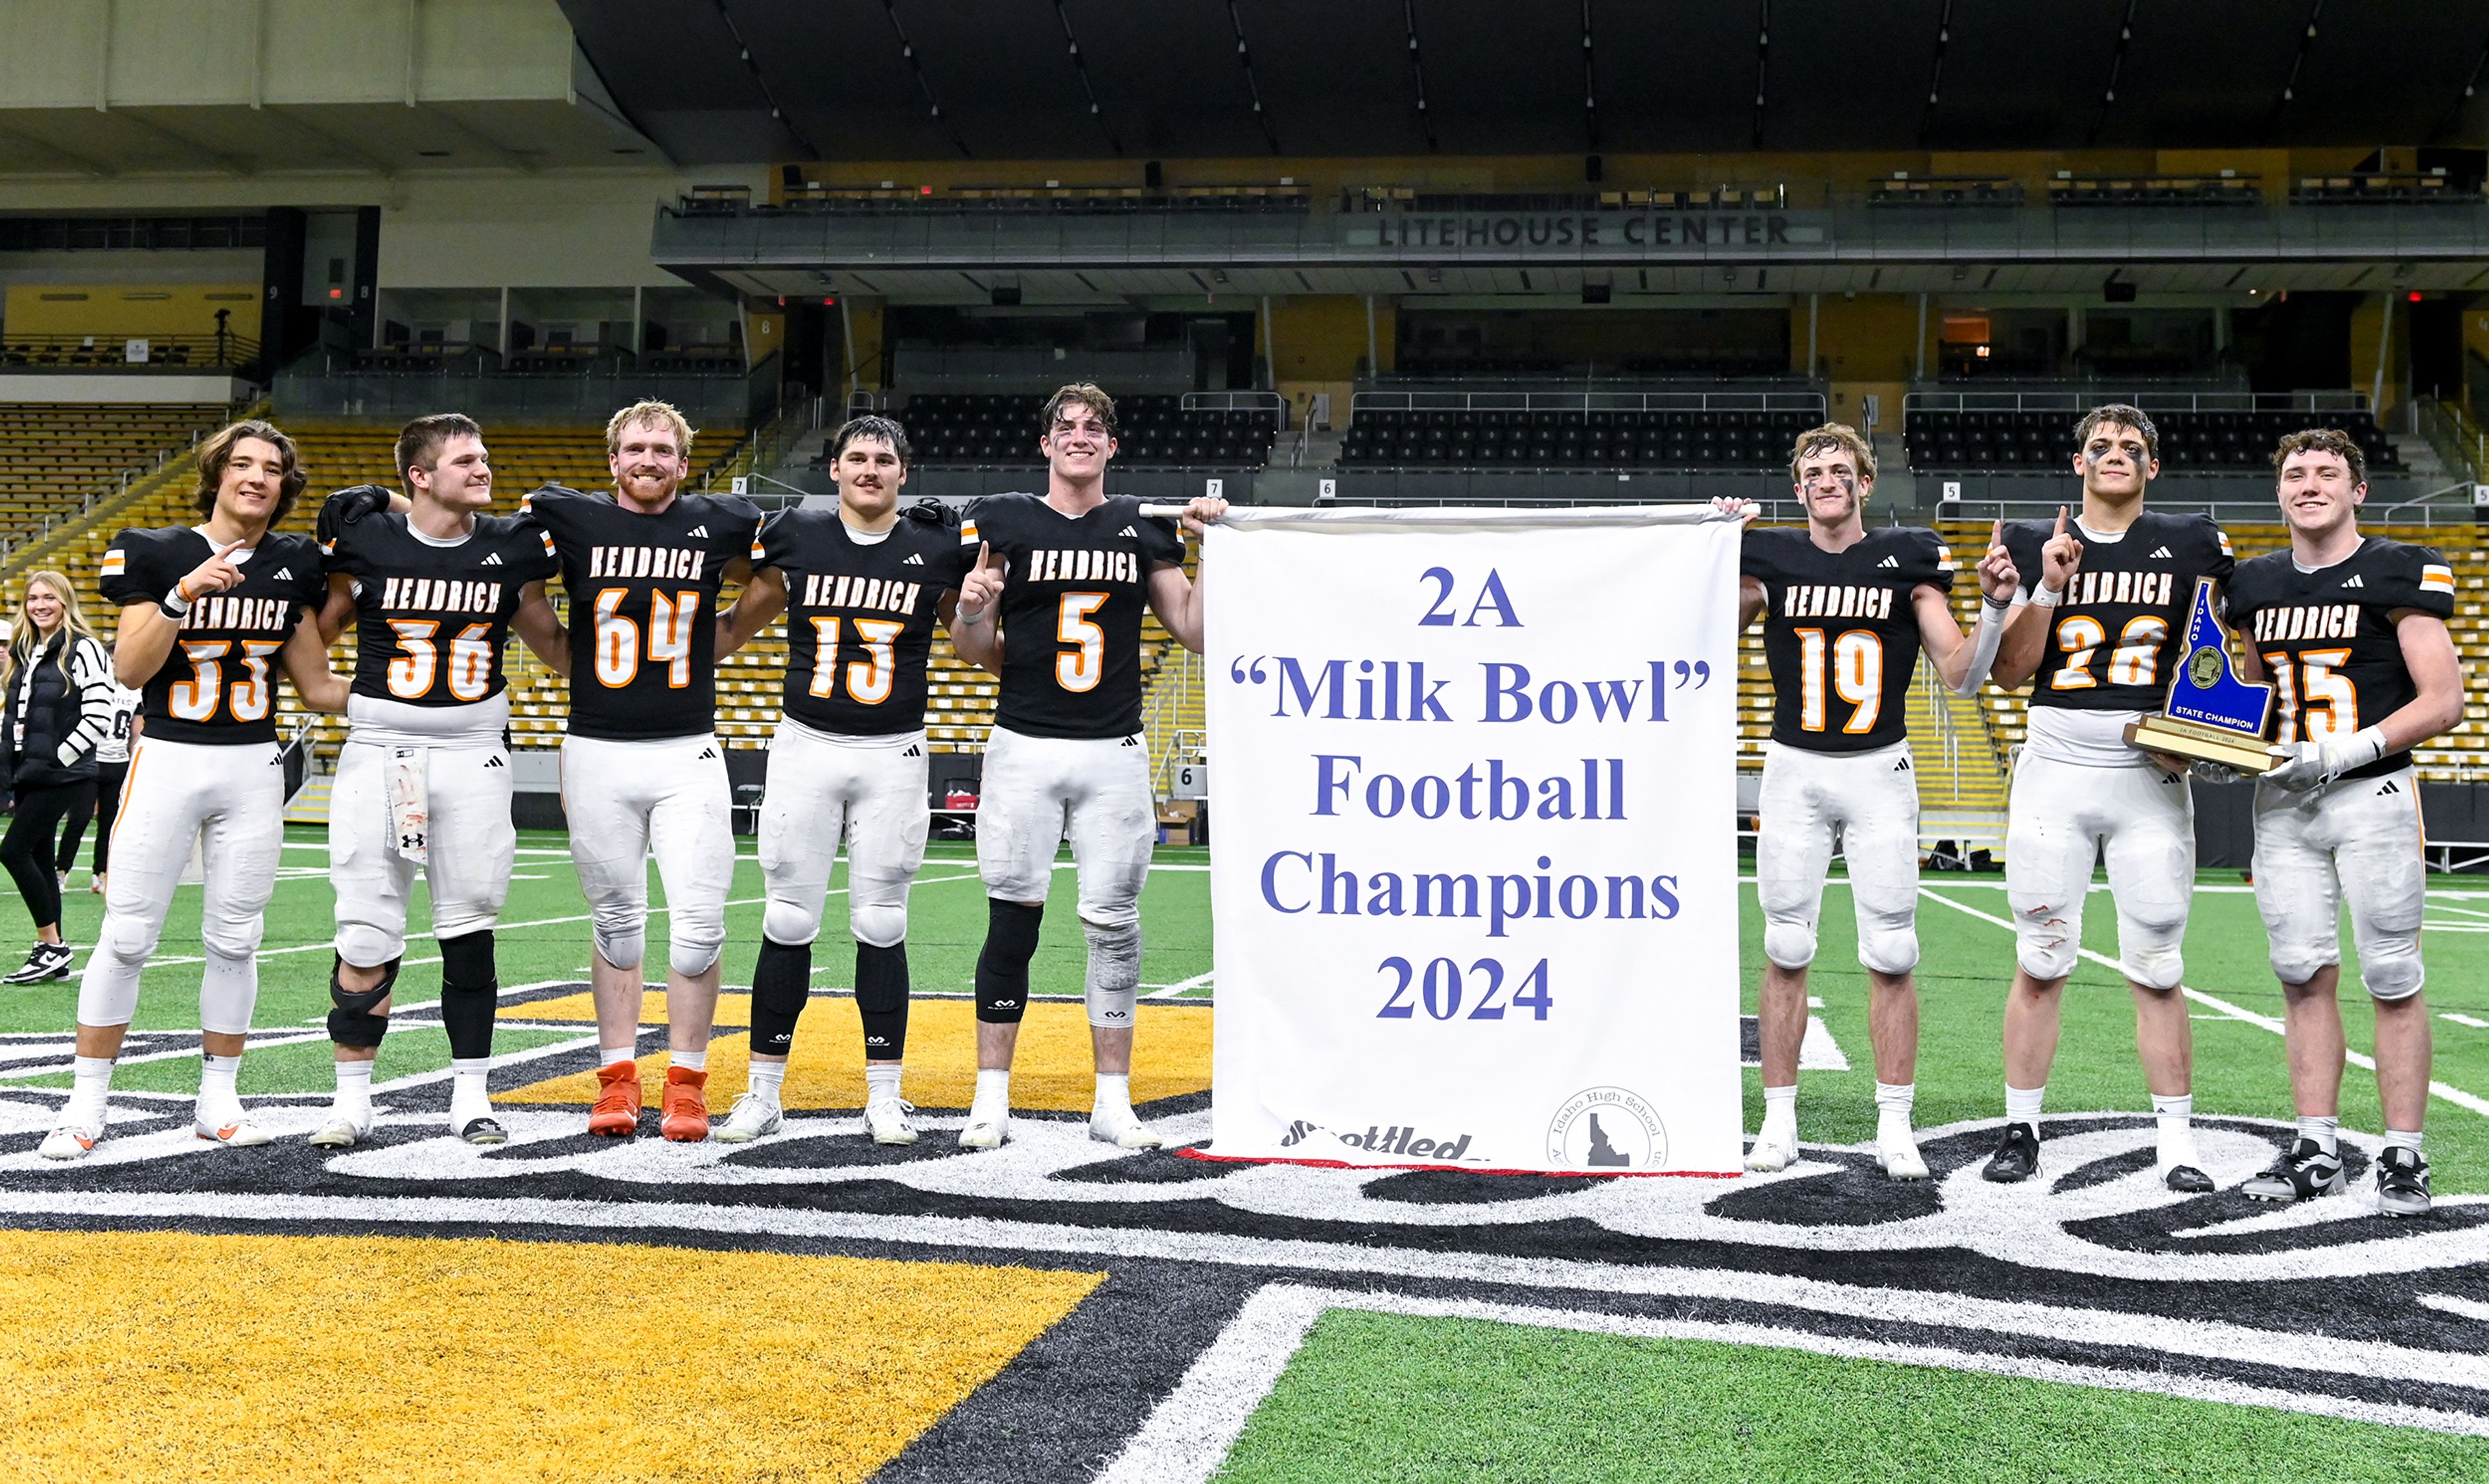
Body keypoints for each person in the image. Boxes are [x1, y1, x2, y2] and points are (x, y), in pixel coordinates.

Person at [40, 419, 345, 1160]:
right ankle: (86, 1104)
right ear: (218, 474)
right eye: (242, 463)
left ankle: (219, 1097)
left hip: (252, 762)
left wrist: (425, 693)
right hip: (170, 755)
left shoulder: (292, 561)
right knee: (129, 934)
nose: (257, 477)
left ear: (284, 484)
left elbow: (315, 682)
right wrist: (181, 595)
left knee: (237, 939)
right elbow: (130, 671)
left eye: (272, 468)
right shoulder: (159, 550)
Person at [1729, 425, 2018, 1180]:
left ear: (1864, 482)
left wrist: (1991, 609)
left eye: (1841, 469)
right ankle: (1779, 1120)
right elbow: (1703, 633)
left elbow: (1959, 674)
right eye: (1814, 471)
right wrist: (1712, 546)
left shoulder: (1908, 556)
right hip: (1794, 766)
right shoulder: (1771, 557)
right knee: (1786, 945)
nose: (1828, 480)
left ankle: (1895, 1122)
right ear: (1798, 489)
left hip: (1880, 768)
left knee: (1892, 949)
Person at [946, 382, 1222, 1150]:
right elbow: (977, 654)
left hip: (1114, 748)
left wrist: (1216, 547)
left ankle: (1112, 1100)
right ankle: (990, 1100)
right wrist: (972, 608)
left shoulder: (1140, 523)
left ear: (1111, 445)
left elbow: (1194, 631)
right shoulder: (1001, 519)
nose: (1078, 436)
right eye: (1065, 427)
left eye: (1092, 427)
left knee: (1115, 927)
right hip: (1024, 745)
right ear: (1045, 444)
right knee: (1011, 923)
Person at [1983, 404, 2235, 1190]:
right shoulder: (2034, 540)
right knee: (2041, 954)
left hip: (2147, 762)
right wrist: (2049, 586)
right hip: (2057, 757)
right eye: (2101, 446)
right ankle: (2021, 1127)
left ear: (2152, 467)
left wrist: (2218, 729)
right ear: (2078, 461)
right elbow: (2010, 671)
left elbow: (2225, 654)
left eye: (2132, 448)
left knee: (2159, 960)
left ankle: (2177, 1142)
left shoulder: (2193, 539)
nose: (2115, 455)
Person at [307, 413, 568, 1147]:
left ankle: (471, 1096)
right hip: (381, 743)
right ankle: (352, 1100)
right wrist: (330, 692)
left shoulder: (514, 545)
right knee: (364, 926)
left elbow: (549, 641)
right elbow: (316, 628)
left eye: (484, 456)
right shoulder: (364, 540)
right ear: (420, 475)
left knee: (469, 926)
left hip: (473, 747)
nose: (483, 469)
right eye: (465, 460)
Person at [711, 415, 973, 1144]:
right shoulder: (796, 534)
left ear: (903, 472)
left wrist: (977, 575)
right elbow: (736, 613)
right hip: (806, 746)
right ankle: (763, 1091)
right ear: (833, 469)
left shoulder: (936, 545)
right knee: (788, 918)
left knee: (882, 921)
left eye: (883, 458)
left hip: (893, 751)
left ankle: (885, 1095)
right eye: (856, 457)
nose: (869, 468)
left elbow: (971, 633)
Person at [2228, 430, 2463, 1217]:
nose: (2309, 483)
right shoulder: (2253, 583)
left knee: (2393, 975)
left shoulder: (2398, 567)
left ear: (2359, 490)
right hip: (2287, 800)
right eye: (2295, 472)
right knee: (2300, 971)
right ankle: (2316, 1145)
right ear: (2279, 492)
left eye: (2329, 472)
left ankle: (2404, 1153)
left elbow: (2443, 699)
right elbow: (2251, 694)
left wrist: (2345, 750)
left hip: (2373, 793)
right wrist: (2234, 744)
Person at [523, 400, 762, 1141]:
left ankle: (687, 1081)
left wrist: (716, 642)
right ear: (613, 459)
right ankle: (618, 1077)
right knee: (617, 924)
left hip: (686, 747)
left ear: (685, 463)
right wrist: (566, 656)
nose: (649, 460)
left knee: (698, 926)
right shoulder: (569, 516)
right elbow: (515, 586)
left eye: (664, 449)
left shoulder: (722, 520)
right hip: (596, 746)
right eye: (636, 448)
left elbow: (772, 581)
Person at [0, 572, 114, 983]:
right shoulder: (27, 650)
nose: (40, 605)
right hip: (32, 772)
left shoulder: (84, 648)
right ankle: (55, 955)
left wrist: (60, 757)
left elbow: (100, 711)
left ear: (65, 602)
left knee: (13, 851)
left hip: (62, 773)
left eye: (49, 597)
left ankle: (51, 944)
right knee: (43, 862)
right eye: (33, 598)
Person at [53, 660, 140, 896]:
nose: (115, 666)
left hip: (117, 763)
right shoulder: (93, 687)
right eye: (111, 661)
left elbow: (136, 733)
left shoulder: (134, 693)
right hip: (90, 761)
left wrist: (134, 764)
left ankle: (100, 874)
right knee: (79, 818)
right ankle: (61, 871)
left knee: (109, 824)